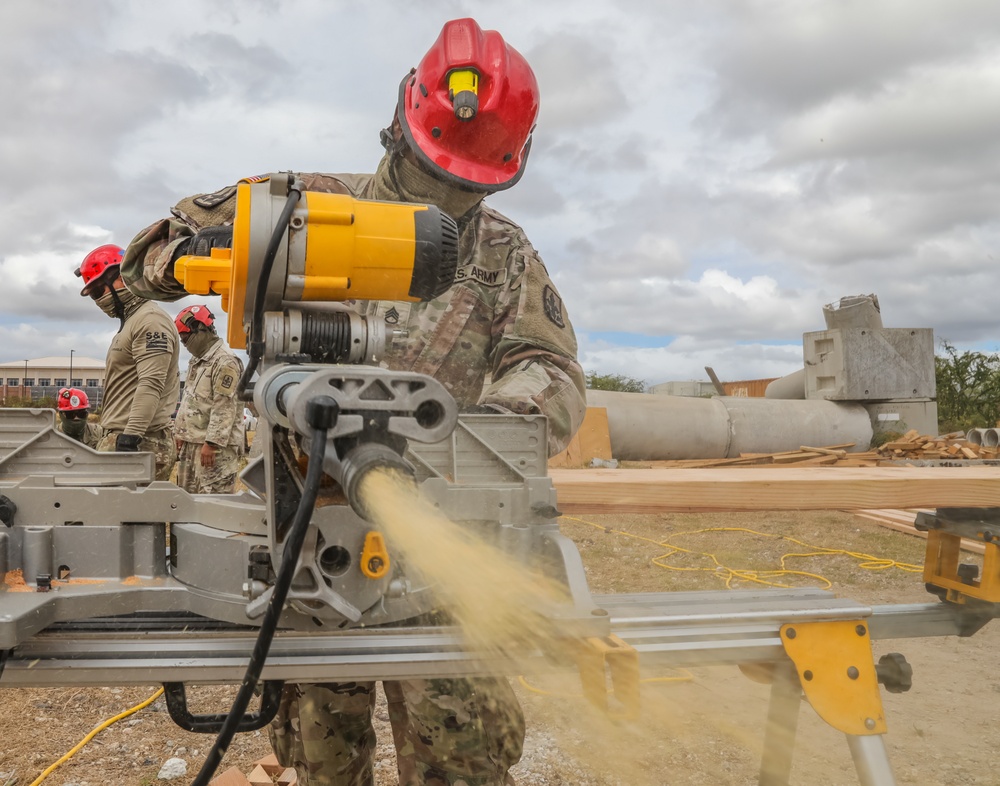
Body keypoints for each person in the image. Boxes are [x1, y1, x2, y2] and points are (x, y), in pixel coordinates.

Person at [120, 17, 585, 786]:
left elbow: (551, 369)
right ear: (400, 128)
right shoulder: (306, 209)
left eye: (467, 187)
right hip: (307, 533)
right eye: (437, 177)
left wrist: (480, 440)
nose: (450, 200)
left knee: (461, 763)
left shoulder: (501, 253)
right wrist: (204, 255)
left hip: (446, 545)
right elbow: (146, 260)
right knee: (326, 761)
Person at [75, 244, 180, 481]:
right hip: (124, 438)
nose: (98, 301)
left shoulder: (150, 321)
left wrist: (129, 440)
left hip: (140, 442)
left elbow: (151, 383)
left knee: (130, 516)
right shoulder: (132, 322)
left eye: (97, 292)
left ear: (120, 278)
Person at [172, 304, 245, 494]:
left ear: (201, 330)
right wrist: (180, 433)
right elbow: (190, 400)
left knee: (213, 504)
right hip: (193, 444)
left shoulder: (225, 361)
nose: (185, 344)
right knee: (187, 502)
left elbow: (224, 406)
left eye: (186, 338)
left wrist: (212, 444)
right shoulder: (198, 361)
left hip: (214, 450)